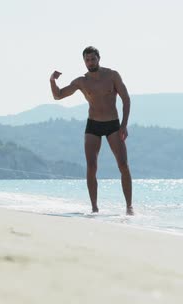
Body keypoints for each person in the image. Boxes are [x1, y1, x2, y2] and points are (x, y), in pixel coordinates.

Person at [50, 46, 133, 215]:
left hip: (113, 124)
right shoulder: (82, 81)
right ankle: (94, 208)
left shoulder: (112, 75)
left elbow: (126, 99)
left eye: (93, 59)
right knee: (91, 166)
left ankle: (129, 206)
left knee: (123, 165)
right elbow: (58, 95)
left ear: (98, 59)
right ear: (84, 62)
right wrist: (52, 81)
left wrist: (124, 125)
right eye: (87, 60)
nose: (90, 62)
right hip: (93, 125)